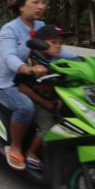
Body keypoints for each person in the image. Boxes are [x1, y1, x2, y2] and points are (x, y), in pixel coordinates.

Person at [0, 0, 76, 170]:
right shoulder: (9, 29)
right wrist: (25, 68)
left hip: (33, 80)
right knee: (25, 107)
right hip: (6, 82)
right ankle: (16, 146)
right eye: (35, 2)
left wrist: (82, 61)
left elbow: (55, 49)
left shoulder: (41, 27)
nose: (40, 6)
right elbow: (8, 55)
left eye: (43, 2)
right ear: (21, 6)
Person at [15, 25, 75, 170]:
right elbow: (21, 87)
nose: (58, 46)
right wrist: (46, 103)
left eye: (61, 43)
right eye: (54, 42)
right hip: (34, 101)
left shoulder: (59, 61)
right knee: (47, 127)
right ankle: (31, 152)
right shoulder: (30, 61)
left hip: (52, 101)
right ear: (39, 43)